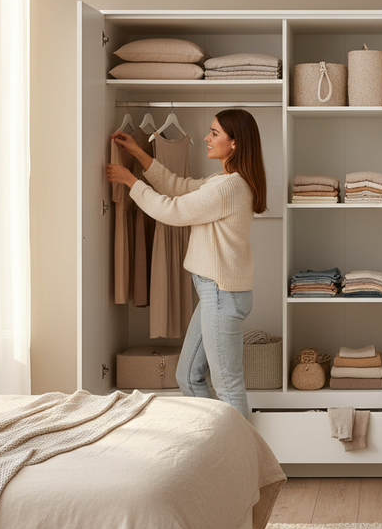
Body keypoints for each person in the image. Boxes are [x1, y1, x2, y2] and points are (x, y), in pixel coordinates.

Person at [106, 108, 267, 418]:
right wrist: (139, 154)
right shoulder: (223, 180)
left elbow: (174, 211)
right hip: (215, 293)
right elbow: (179, 187)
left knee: (228, 386)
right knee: (188, 377)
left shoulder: (227, 187)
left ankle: (245, 463)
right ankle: (214, 447)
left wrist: (130, 181)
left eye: (215, 133)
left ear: (235, 143)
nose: (207, 137)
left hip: (221, 295)